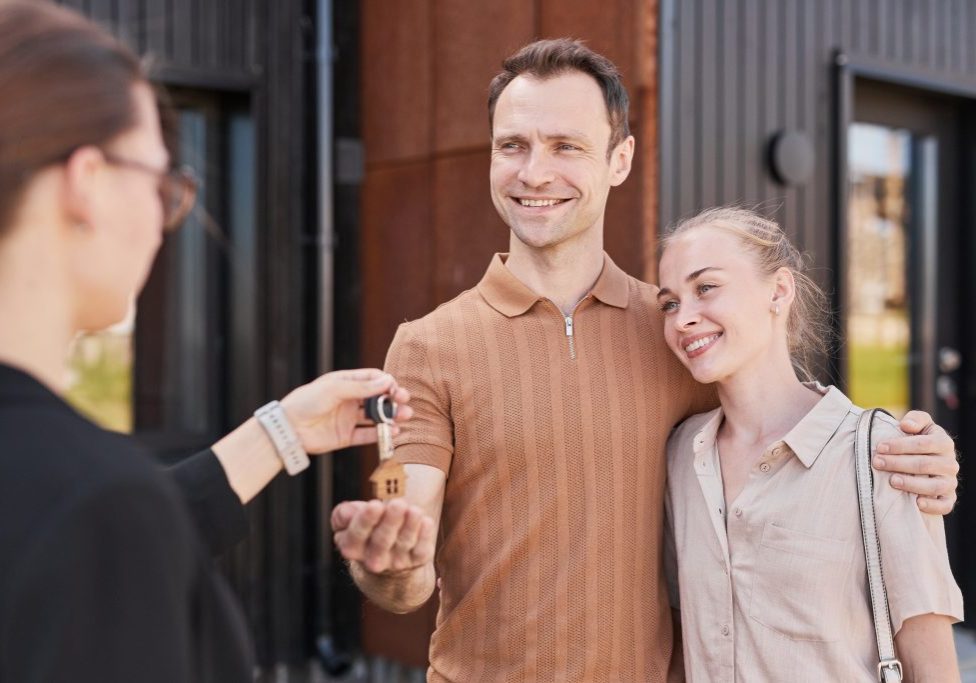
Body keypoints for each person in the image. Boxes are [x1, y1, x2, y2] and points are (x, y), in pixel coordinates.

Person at [330, 39, 960, 681]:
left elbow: (784, 424)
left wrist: (912, 454)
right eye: (512, 145)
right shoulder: (428, 345)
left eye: (566, 146)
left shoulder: (673, 336)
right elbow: (404, 556)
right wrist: (389, 562)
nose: (534, 172)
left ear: (620, 159)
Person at [0, 3, 411, 681]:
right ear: (88, 183)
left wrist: (283, 430)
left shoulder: (77, 500)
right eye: (161, 182)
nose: (166, 221)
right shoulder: (96, 508)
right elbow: (104, 529)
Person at [659, 206, 963, 681]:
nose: (683, 319)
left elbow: (935, 668)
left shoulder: (883, 455)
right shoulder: (681, 455)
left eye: (706, 288)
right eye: (670, 303)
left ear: (778, 291)